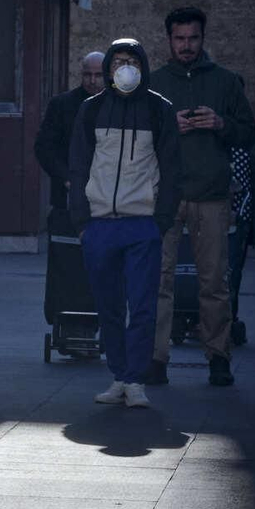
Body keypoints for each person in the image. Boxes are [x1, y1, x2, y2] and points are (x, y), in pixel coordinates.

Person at [67, 39, 181, 409]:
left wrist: (160, 221)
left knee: (144, 305)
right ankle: (119, 375)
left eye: (132, 61)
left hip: (141, 224)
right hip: (99, 225)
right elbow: (78, 165)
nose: (125, 68)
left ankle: (136, 379)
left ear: (143, 66)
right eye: (118, 62)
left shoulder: (159, 110)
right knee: (109, 305)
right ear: (108, 69)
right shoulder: (91, 109)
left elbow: (171, 168)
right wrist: (82, 222)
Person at [148, 7, 255, 387]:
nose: (186, 46)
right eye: (179, 39)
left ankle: (218, 356)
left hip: (212, 195)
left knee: (214, 282)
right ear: (169, 40)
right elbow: (139, 139)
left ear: (203, 38)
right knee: (158, 280)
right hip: (166, 195)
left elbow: (249, 135)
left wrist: (220, 123)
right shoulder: (154, 82)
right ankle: (156, 358)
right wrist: (169, 126)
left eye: (193, 38)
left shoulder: (226, 82)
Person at [35, 51, 107, 216]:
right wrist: (66, 179)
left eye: (98, 75)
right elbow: (44, 147)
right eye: (88, 75)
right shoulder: (62, 105)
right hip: (68, 195)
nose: (93, 80)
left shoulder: (117, 106)